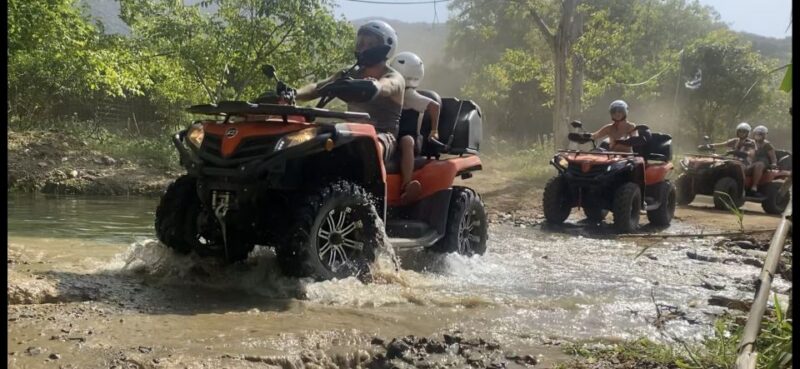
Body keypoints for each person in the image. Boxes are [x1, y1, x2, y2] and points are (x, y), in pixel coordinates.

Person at [296, 20, 415, 197]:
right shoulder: (350, 74)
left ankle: (372, 201)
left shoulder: (393, 76)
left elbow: (388, 85)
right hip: (350, 131)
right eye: (361, 43)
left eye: (370, 44)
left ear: (385, 48)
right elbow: (317, 87)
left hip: (382, 134)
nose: (363, 48)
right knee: (310, 141)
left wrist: (375, 86)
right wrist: (293, 93)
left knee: (371, 147)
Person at [389, 51, 441, 203]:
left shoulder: (410, 95)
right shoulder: (390, 89)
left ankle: (406, 185)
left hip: (409, 136)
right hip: (390, 133)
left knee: (407, 142)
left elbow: (434, 107)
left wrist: (434, 130)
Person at [747, 125, 778, 196]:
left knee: (759, 165)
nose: (758, 135)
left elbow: (773, 157)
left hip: (763, 163)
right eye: (757, 133)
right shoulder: (750, 143)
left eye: (760, 134)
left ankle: (754, 186)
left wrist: (774, 163)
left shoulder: (767, 145)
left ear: (764, 135)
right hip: (751, 162)